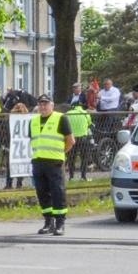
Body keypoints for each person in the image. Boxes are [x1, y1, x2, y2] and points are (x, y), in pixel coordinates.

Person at [29, 94, 74, 235]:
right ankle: (48, 222)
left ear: (52, 105)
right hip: (38, 161)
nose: (43, 107)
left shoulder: (61, 118)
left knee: (57, 192)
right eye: (40, 104)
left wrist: (61, 153)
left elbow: (70, 141)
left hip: (54, 162)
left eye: (45, 104)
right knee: (42, 192)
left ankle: (60, 223)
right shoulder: (34, 121)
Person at [65, 101, 93, 180]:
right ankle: (83, 176)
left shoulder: (67, 114)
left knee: (71, 158)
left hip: (72, 138)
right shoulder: (85, 113)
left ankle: (71, 177)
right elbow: (89, 124)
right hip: (83, 139)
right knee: (84, 158)